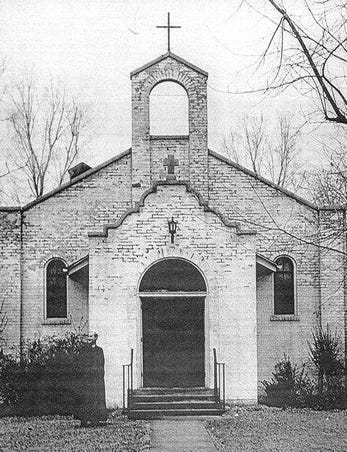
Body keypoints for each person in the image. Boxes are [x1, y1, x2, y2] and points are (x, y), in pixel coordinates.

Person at [74, 332, 108, 427]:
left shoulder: (99, 350)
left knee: (96, 399)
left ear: (96, 338)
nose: (89, 338)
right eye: (88, 336)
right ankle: (84, 420)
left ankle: (95, 420)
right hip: (86, 379)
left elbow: (101, 364)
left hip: (95, 379)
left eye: (91, 336)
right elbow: (80, 364)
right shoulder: (84, 350)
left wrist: (99, 376)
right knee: (85, 399)